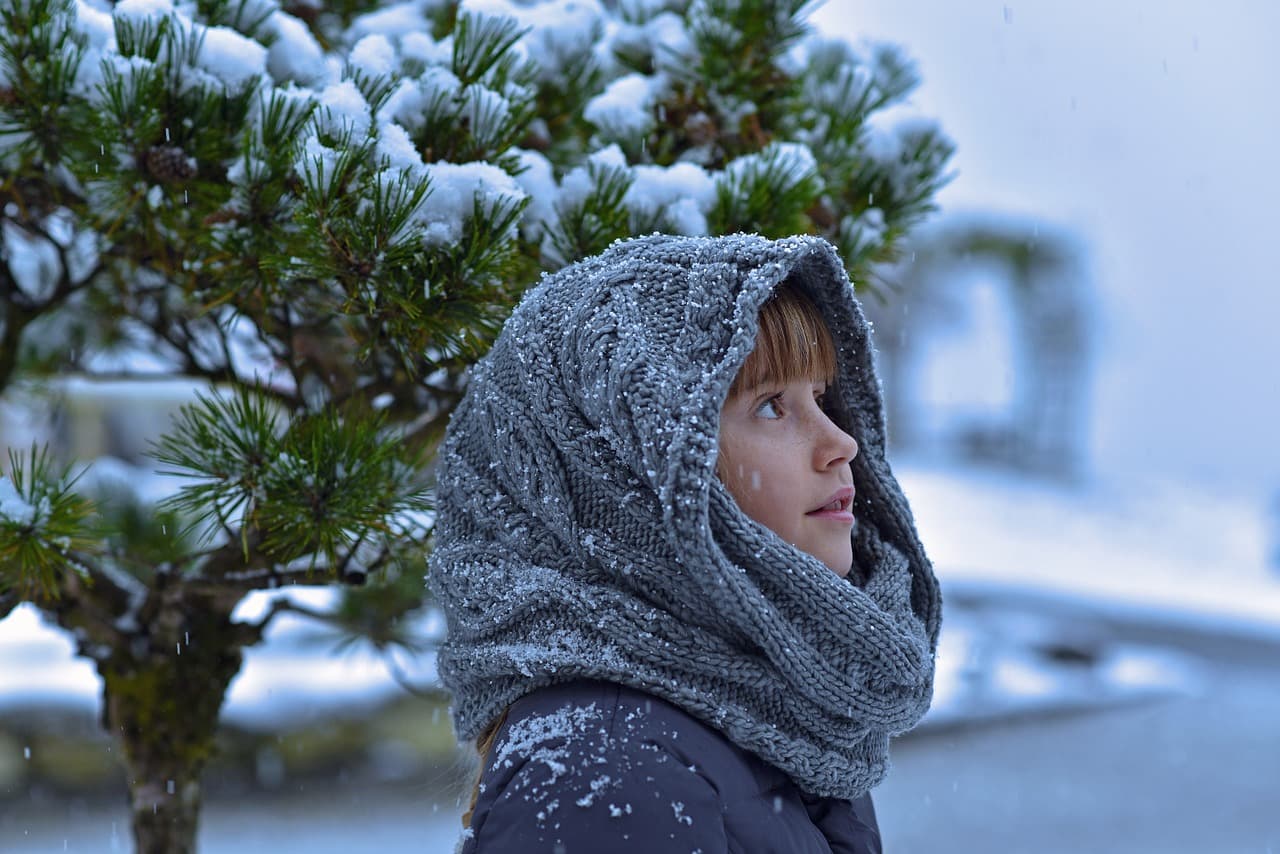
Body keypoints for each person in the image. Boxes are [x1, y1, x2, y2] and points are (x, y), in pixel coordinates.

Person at [428, 233, 941, 853]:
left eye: (823, 397)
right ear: (633, 481)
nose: (841, 442)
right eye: (772, 405)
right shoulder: (609, 769)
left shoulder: (776, 710)